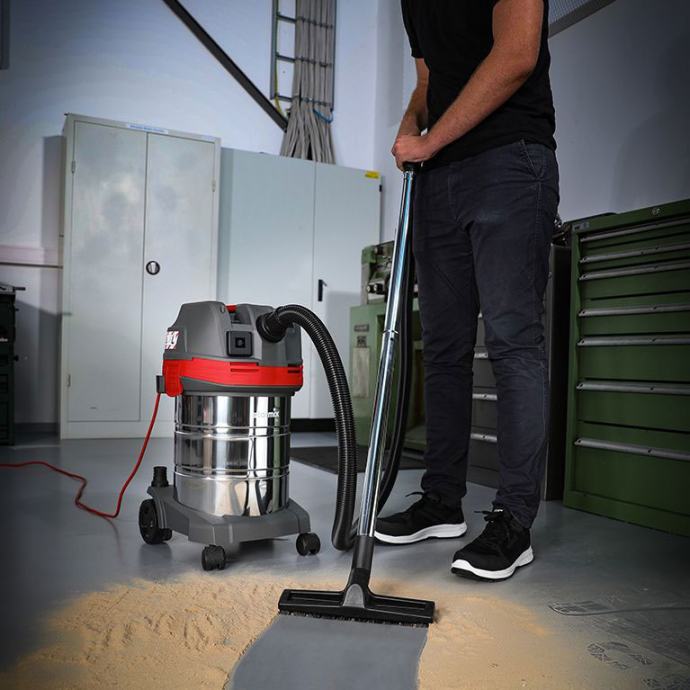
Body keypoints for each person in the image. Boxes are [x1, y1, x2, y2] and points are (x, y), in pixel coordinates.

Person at [375, 0, 559, 581]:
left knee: (512, 343)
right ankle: (441, 501)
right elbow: (428, 81)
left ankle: (513, 520)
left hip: (509, 160)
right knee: (444, 349)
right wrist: (411, 124)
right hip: (439, 178)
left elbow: (517, 54)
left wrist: (431, 142)